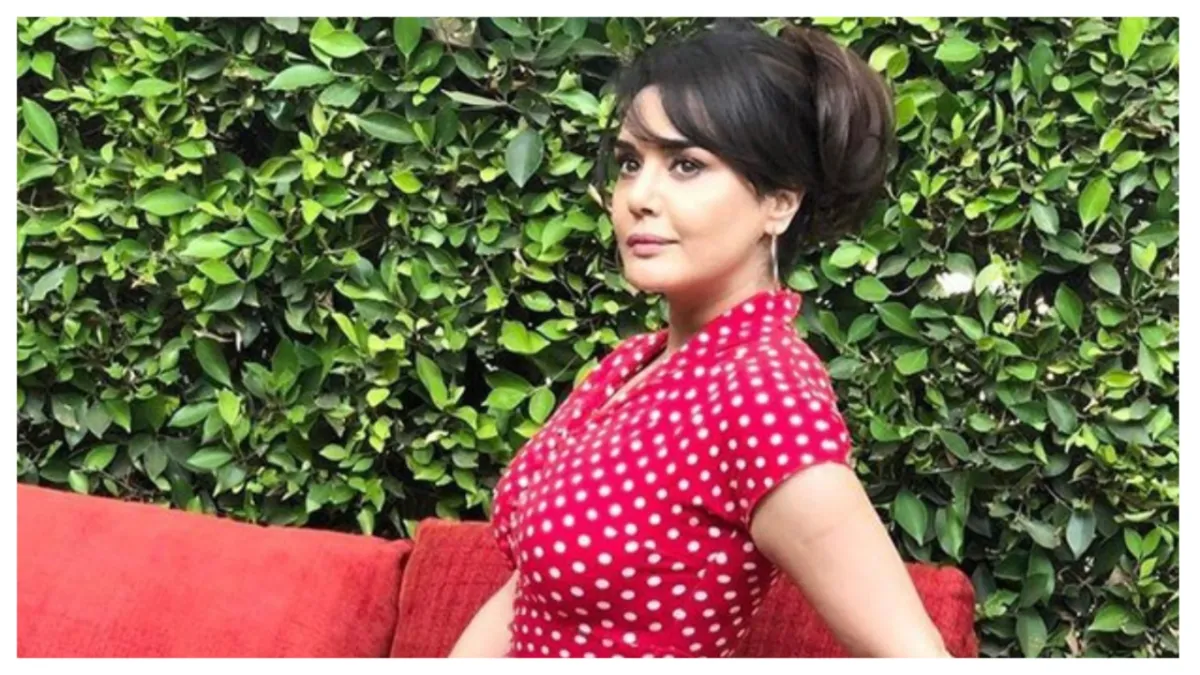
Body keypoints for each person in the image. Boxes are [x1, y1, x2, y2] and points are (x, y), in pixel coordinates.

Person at [450, 19, 951, 658]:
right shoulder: (634, 364)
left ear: (779, 202)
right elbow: (532, 588)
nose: (639, 196)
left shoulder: (763, 398)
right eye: (630, 163)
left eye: (687, 165)